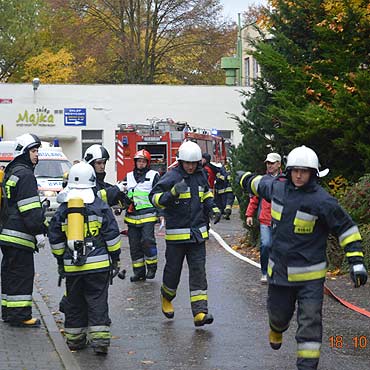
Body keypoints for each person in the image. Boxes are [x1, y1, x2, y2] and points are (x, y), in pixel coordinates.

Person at [238, 145, 367, 370]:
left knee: (310, 322)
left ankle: (307, 365)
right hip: (280, 274)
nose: (299, 175)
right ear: (288, 171)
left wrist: (356, 262)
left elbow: (346, 229)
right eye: (295, 170)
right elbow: (257, 183)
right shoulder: (277, 188)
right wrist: (243, 178)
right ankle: (276, 328)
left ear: (313, 173)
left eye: (304, 171)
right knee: (279, 317)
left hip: (310, 278)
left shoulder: (322, 201)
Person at [48, 162, 121, 355]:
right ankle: (100, 342)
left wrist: (60, 260)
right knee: (97, 301)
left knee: (75, 303)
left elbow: (55, 238)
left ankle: (75, 340)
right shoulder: (100, 206)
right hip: (98, 267)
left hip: (72, 267)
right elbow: (112, 235)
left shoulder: (64, 208)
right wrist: (115, 257)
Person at [150, 141, 221, 327]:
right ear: (181, 162)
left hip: (197, 235)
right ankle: (167, 297)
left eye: (194, 163)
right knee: (173, 272)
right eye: (187, 163)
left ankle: (200, 312)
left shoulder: (201, 176)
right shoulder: (171, 177)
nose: (190, 166)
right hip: (177, 237)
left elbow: (206, 195)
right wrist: (172, 193)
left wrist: (213, 209)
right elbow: (155, 199)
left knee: (198, 272)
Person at [0, 133, 47, 327]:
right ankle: (21, 316)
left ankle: (9, 312)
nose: (37, 155)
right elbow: (30, 210)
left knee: (10, 274)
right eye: (34, 151)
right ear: (23, 153)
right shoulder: (27, 175)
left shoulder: (13, 172)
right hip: (20, 237)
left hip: (7, 234)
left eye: (37, 151)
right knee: (22, 275)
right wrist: (39, 231)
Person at [124, 149, 160, 282]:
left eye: (143, 161)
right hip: (132, 216)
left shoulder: (153, 175)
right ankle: (139, 272)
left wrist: (161, 214)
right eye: (139, 161)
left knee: (147, 241)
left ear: (147, 163)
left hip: (148, 215)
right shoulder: (128, 176)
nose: (141, 163)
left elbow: (159, 194)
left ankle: (152, 267)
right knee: (134, 246)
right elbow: (124, 194)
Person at [246, 153, 281, 284]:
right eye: (268, 163)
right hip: (265, 219)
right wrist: (249, 214)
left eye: (272, 163)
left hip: (280, 221)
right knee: (266, 245)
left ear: (279, 164)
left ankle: (277, 272)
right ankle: (265, 273)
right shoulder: (262, 180)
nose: (269, 165)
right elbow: (254, 198)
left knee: (278, 248)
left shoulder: (285, 180)